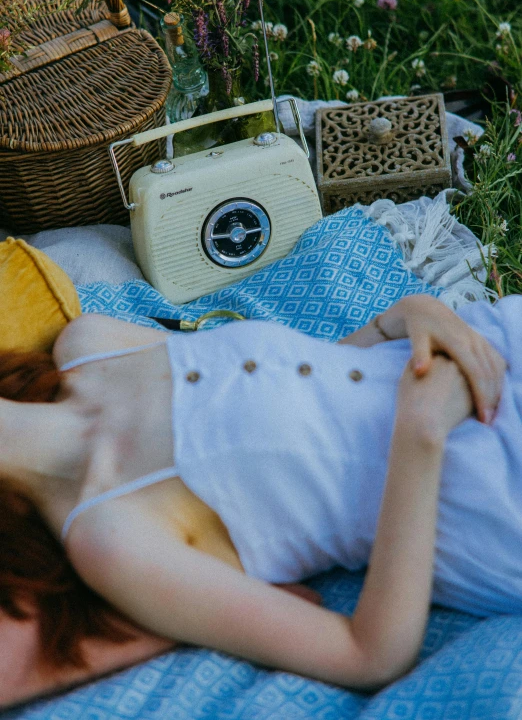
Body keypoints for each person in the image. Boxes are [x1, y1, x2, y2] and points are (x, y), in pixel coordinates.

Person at [0, 292, 516, 692]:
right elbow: (369, 655)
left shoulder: (88, 344)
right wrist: (421, 429)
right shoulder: (109, 537)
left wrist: (403, 317)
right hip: (482, 481)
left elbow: (305, 387)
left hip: (480, 349)